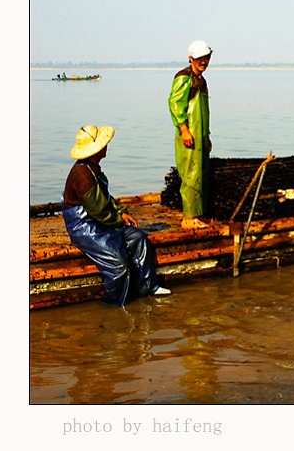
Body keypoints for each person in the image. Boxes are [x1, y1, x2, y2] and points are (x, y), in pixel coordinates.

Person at [61, 125, 171, 306]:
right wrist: (118, 220)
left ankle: (149, 286)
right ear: (96, 150)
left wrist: (122, 213)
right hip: (84, 226)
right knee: (118, 264)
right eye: (104, 145)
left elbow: (105, 200)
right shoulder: (82, 174)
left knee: (139, 238)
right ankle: (114, 304)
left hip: (101, 219)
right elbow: (99, 211)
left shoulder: (93, 167)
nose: (106, 147)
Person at [168, 40, 213, 229]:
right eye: (199, 58)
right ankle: (189, 217)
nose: (203, 61)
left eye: (206, 57)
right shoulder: (184, 77)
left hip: (200, 134)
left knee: (201, 173)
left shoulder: (201, 80)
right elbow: (175, 103)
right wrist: (184, 128)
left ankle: (198, 214)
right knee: (190, 174)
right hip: (189, 133)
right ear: (191, 59)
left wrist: (206, 136)